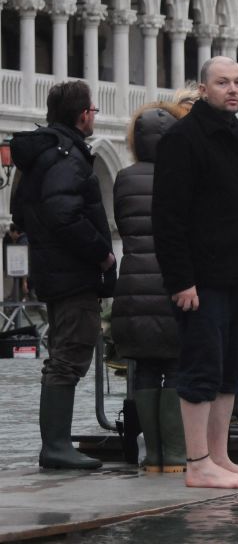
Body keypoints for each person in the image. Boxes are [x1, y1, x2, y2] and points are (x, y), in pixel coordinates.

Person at [153, 57, 238, 489]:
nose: (233, 89)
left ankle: (219, 456)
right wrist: (181, 279)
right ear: (203, 89)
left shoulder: (237, 134)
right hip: (200, 278)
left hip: (236, 273)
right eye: (223, 83)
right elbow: (168, 217)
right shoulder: (184, 138)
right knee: (200, 366)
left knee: (227, 370)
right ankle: (197, 462)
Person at [10, 80, 117, 470]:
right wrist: (102, 253)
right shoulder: (66, 157)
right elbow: (63, 214)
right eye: (93, 110)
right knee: (69, 357)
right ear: (83, 113)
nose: (94, 116)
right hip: (74, 274)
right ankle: (55, 446)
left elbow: (22, 213)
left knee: (63, 354)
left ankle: (56, 444)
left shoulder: (42, 155)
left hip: (54, 270)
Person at [111, 102, 188, 473]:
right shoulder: (181, 175)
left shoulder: (123, 178)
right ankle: (175, 456)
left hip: (132, 286)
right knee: (175, 366)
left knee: (143, 367)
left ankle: (153, 457)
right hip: (174, 283)